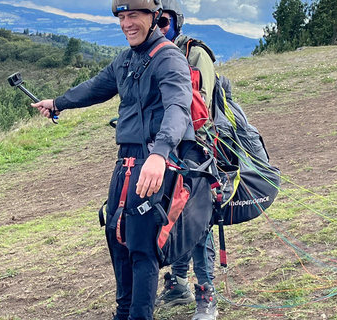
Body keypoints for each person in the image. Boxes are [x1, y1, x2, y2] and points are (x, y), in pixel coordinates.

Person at [31, 0, 196, 319]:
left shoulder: (169, 59)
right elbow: (96, 88)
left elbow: (178, 107)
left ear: (154, 17)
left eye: (134, 15)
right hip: (125, 164)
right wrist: (59, 103)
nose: (126, 23)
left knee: (141, 246)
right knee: (116, 235)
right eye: (122, 16)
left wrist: (159, 154)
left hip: (152, 163)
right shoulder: (126, 60)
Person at [154, 1, 219, 320]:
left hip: (196, 152)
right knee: (169, 218)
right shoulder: (149, 55)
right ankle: (178, 284)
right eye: (155, 22)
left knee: (197, 223)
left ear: (177, 22)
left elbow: (201, 109)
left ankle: (207, 296)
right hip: (162, 152)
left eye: (163, 22)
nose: (158, 27)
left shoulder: (195, 54)